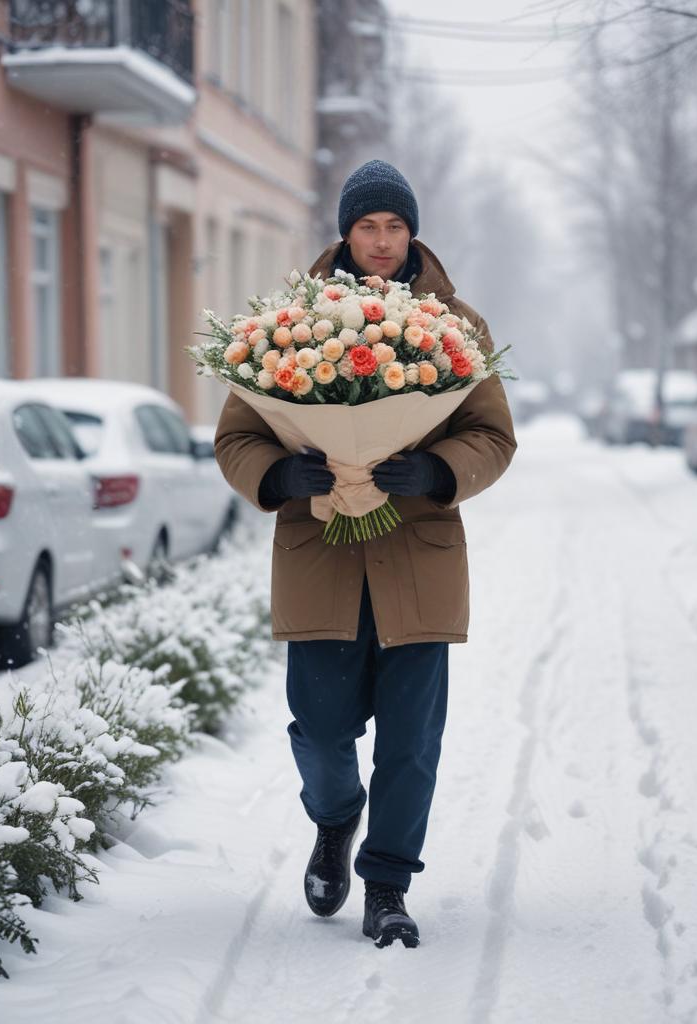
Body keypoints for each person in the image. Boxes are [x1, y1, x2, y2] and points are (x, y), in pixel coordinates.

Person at [213, 159, 517, 948]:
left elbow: (494, 435)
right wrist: (279, 473)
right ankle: (336, 817)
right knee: (319, 730)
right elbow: (237, 435)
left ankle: (387, 885)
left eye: (394, 227)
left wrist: (439, 468)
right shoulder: (289, 324)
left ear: (413, 232)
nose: (381, 242)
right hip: (321, 559)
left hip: (419, 561)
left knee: (412, 745)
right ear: (345, 232)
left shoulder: (459, 326)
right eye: (366, 226)